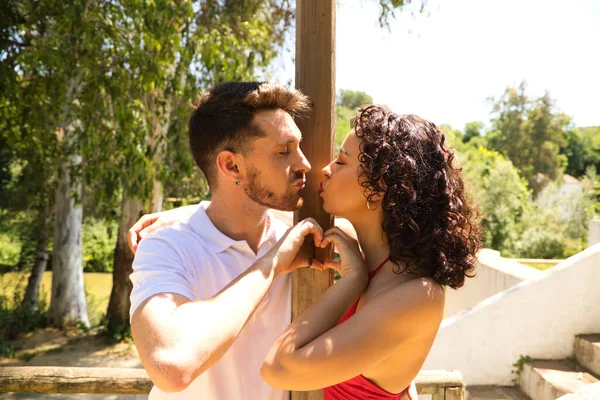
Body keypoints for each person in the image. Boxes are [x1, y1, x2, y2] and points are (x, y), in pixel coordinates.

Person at [258, 106, 483, 399]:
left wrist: (352, 282)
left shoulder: (418, 295)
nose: (325, 169)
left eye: (341, 161)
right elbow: (263, 220)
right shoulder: (363, 254)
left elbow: (277, 368)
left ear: (378, 188)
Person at [128, 81, 326, 400]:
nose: (305, 164)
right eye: (283, 151)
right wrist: (271, 264)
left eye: (299, 147)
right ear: (231, 165)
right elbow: (172, 368)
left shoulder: (302, 236)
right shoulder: (165, 244)